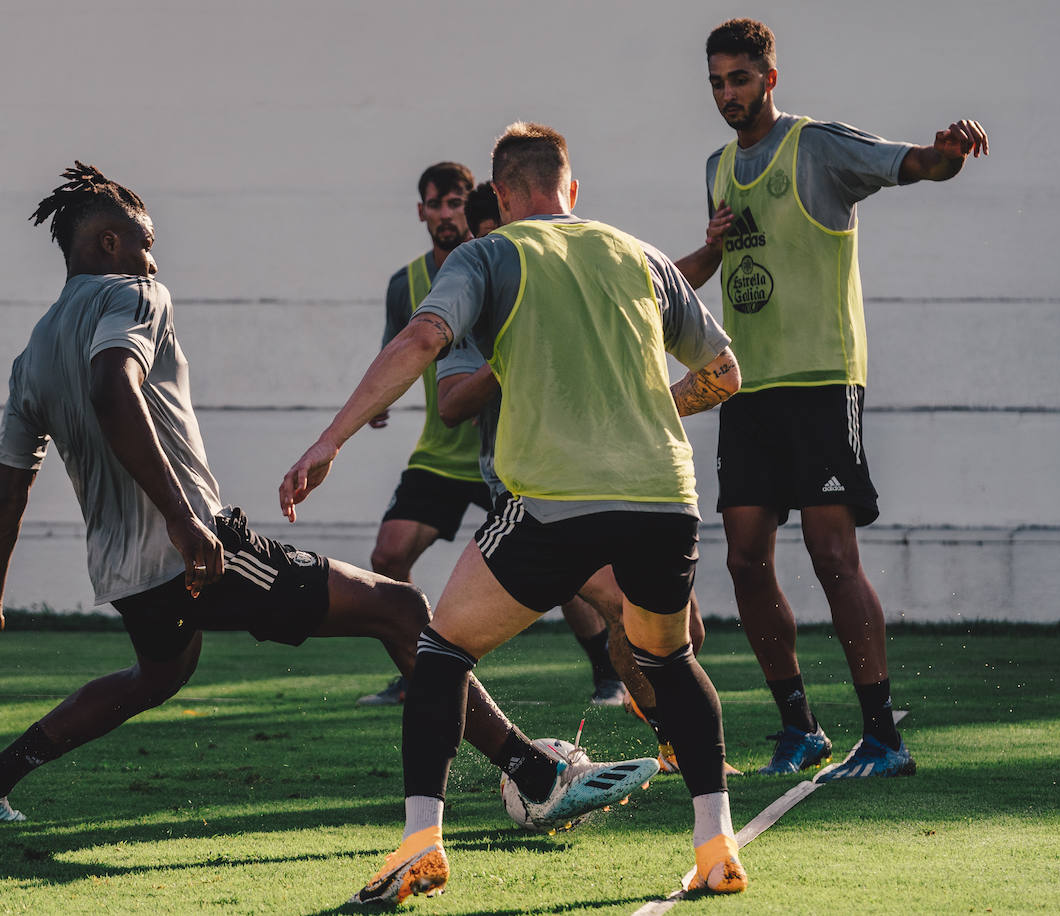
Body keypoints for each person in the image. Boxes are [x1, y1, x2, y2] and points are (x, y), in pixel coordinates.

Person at [0, 163, 650, 832]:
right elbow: (111, 385)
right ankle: (534, 775)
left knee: (156, 674)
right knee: (401, 609)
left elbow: (7, 488)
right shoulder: (133, 293)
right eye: (148, 246)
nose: (155, 262)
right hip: (194, 549)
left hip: (126, 575)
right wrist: (187, 523)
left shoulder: (31, 354)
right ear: (112, 242)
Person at [282, 123, 747, 903]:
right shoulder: (639, 254)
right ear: (573, 188)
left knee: (440, 651)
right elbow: (725, 371)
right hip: (664, 496)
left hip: (554, 502)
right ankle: (717, 848)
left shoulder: (490, 254)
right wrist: (646, 416)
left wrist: (331, 440)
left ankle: (421, 847)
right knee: (670, 658)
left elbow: (424, 337)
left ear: (498, 197)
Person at [677, 18, 989, 781]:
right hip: (747, 388)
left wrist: (946, 155)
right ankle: (800, 729)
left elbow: (912, 164)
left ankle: (883, 737)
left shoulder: (814, 146)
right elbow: (708, 272)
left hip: (820, 380)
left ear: (770, 79)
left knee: (830, 557)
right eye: (717, 81)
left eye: (740, 80)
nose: (727, 95)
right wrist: (710, 247)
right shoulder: (718, 167)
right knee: (746, 562)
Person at [440, 182, 630, 709]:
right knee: (624, 606)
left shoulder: (572, 268)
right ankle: (678, 745)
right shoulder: (470, 295)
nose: (498, 253)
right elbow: (451, 405)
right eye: (486, 242)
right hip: (523, 482)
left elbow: (660, 291)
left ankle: (646, 708)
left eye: (504, 238)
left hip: (602, 471)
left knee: (669, 623)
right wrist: (508, 355)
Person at [356, 163, 492, 707]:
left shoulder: (495, 263)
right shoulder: (406, 283)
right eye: (434, 205)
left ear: (472, 208)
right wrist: (376, 400)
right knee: (388, 557)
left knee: (565, 568)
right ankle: (422, 673)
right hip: (440, 453)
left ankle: (607, 674)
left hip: (503, 451)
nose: (444, 214)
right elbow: (399, 350)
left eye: (454, 203)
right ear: (421, 212)